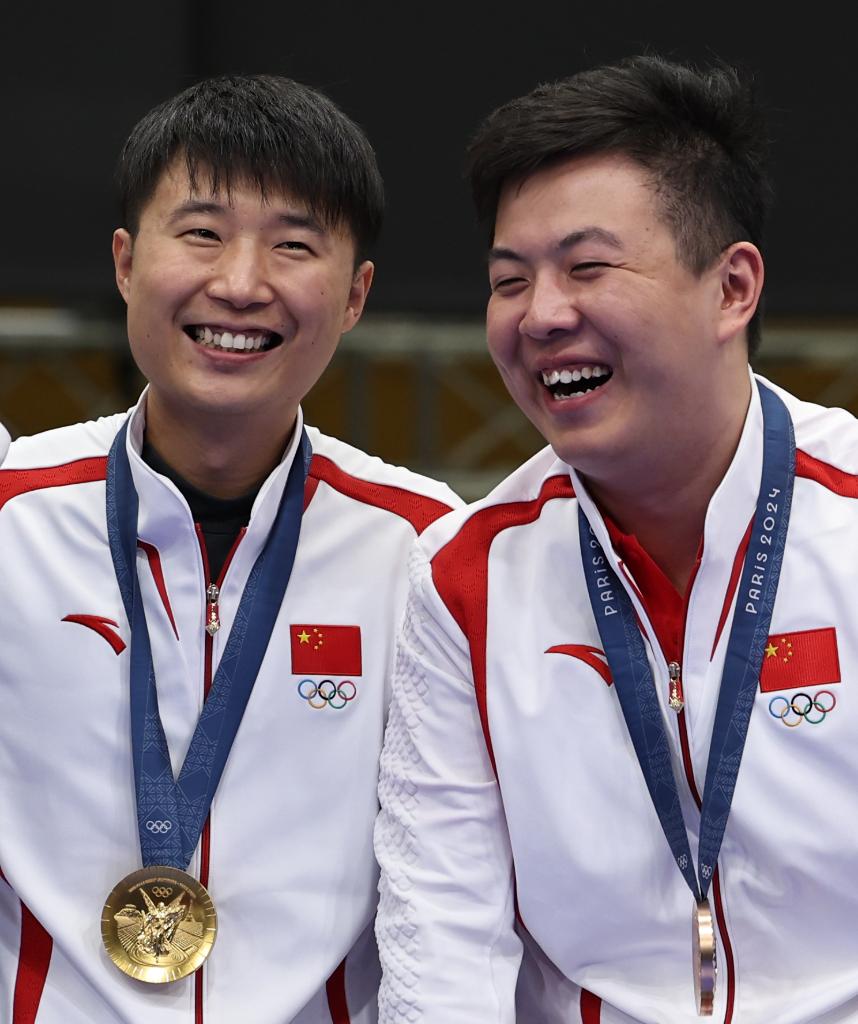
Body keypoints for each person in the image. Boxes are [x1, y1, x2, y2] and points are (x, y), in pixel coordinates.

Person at [375, 54, 858, 1023]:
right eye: (509, 281)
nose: (542, 315)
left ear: (732, 288)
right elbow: (445, 944)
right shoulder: (464, 579)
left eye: (588, 268)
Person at [0, 74, 459, 1023]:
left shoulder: (425, 549)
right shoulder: (12, 514)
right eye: (202, 233)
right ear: (126, 262)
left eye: (294, 245)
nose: (242, 284)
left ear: (356, 294)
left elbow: (459, 879)